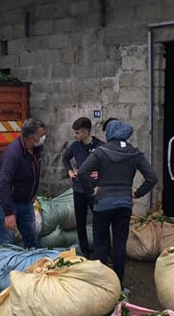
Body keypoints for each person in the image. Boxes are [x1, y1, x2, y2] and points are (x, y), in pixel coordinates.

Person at [78, 119, 157, 287]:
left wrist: (91, 190)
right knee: (120, 243)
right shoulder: (134, 154)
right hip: (124, 203)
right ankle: (119, 284)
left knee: (100, 242)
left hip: (103, 203)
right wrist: (137, 192)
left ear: (109, 134)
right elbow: (152, 177)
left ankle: (102, 284)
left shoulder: (100, 152)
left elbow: (83, 172)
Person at [0, 118, 46, 249]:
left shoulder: (36, 149)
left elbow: (34, 173)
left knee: (31, 237)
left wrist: (33, 193)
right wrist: (8, 212)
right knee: (7, 240)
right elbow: (4, 183)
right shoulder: (13, 154)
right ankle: (7, 262)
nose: (44, 137)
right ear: (32, 138)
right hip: (8, 201)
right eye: (41, 135)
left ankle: (32, 259)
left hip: (26, 201)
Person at [62, 117, 103, 257]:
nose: (75, 135)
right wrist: (69, 171)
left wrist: (101, 174)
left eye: (78, 133)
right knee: (80, 221)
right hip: (79, 189)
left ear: (86, 132)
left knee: (99, 220)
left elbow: (109, 164)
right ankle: (84, 250)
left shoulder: (100, 146)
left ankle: (100, 251)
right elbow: (65, 158)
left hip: (95, 190)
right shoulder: (75, 146)